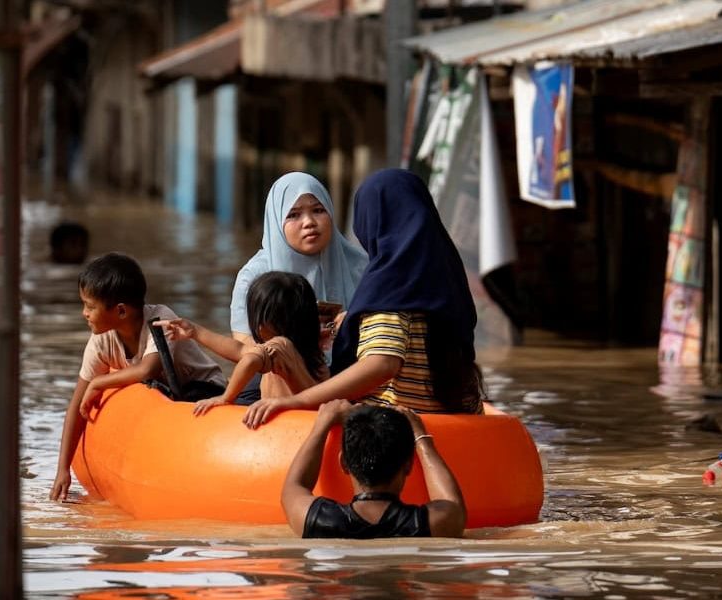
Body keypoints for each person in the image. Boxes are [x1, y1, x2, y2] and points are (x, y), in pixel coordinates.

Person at [242, 169, 485, 429]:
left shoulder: (390, 284)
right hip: (456, 416)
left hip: (394, 424)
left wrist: (299, 401)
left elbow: (382, 363)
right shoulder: (447, 274)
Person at [50, 252, 227, 501]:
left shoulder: (160, 319)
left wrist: (100, 382)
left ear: (121, 311)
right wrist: (62, 470)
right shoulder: (101, 341)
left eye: (90, 306)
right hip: (166, 402)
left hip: (205, 392)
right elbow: (77, 406)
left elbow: (148, 369)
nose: (84, 313)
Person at [229, 172, 368, 402]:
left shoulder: (361, 267)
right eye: (293, 215)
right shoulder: (254, 276)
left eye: (318, 210)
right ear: (276, 219)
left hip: (348, 371)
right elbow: (243, 343)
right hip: (274, 373)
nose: (309, 222)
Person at [281, 400, 466, 538]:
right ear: (408, 465)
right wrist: (421, 437)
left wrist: (322, 424)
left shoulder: (319, 521)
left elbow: (293, 487)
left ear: (343, 463)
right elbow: (451, 503)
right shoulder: (427, 524)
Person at [155, 271, 328, 415]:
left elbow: (249, 360)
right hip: (309, 420)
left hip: (288, 429)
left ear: (262, 324)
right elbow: (240, 350)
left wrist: (226, 398)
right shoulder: (309, 350)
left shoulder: (279, 346)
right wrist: (195, 332)